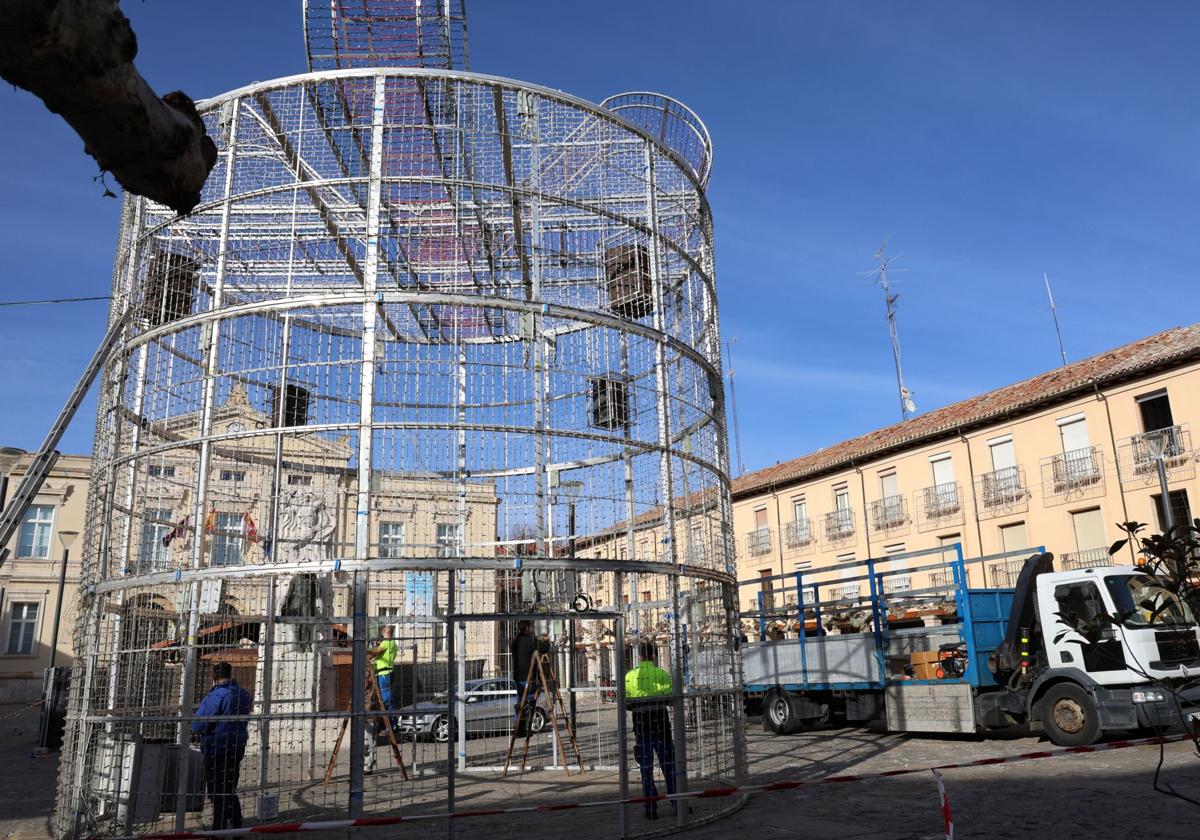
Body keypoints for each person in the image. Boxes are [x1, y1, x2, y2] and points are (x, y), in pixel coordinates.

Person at [191, 661, 251, 831]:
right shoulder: (244, 694)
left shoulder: (217, 696)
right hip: (236, 747)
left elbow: (199, 724)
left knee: (218, 791)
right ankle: (236, 824)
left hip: (217, 748)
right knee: (229, 787)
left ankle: (219, 828)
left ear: (214, 677)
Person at [624, 638, 676, 820]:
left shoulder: (630, 676)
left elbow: (627, 703)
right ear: (653, 655)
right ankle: (677, 804)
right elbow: (670, 698)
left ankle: (650, 809)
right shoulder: (661, 674)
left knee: (646, 770)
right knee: (669, 766)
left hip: (641, 728)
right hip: (661, 726)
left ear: (639, 656)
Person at [368, 623, 399, 726]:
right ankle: (390, 722)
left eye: (382, 631)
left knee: (385, 698)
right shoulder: (393, 643)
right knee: (385, 697)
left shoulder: (387, 642)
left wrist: (368, 653)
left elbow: (376, 652)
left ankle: (391, 722)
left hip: (384, 672)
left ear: (386, 632)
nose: (381, 633)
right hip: (387, 671)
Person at [510, 620, 536, 733]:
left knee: (521, 698)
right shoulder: (530, 640)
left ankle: (519, 726)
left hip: (518, 675)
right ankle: (526, 725)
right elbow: (542, 647)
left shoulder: (515, 641)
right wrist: (546, 641)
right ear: (527, 629)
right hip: (528, 675)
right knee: (529, 699)